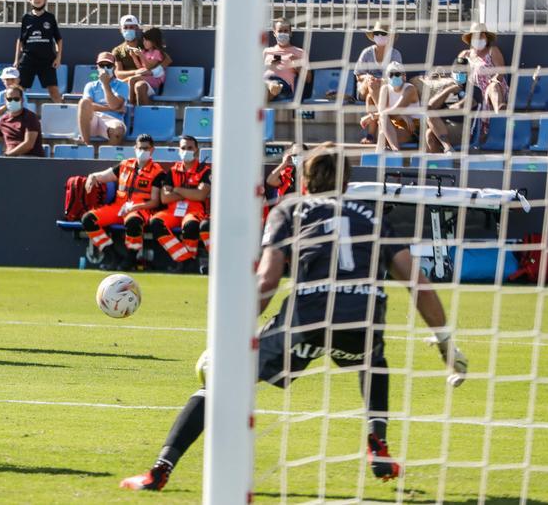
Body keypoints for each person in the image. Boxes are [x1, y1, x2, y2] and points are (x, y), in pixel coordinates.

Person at [120, 144, 468, 491]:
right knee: (372, 359)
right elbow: (416, 282)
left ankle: (159, 470)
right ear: (347, 182)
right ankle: (378, 444)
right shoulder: (374, 216)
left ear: (304, 180)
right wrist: (445, 341)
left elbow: (268, 280)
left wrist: (233, 339)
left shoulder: (290, 210)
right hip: (361, 318)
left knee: (220, 383)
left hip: (308, 319)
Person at [80, 133, 166, 270]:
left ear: (152, 150)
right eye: (140, 148)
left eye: (146, 148)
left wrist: (134, 207)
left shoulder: (158, 172)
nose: (143, 151)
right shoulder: (125, 165)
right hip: (118, 207)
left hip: (140, 209)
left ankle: (131, 259)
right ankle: (112, 256)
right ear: (135, 148)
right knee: (88, 219)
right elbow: (103, 176)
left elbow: (155, 202)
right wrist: (92, 177)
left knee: (133, 222)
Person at [148, 135, 210, 272]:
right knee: (155, 221)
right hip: (173, 211)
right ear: (179, 150)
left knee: (191, 224)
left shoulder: (205, 171)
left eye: (190, 148)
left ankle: (187, 262)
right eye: (183, 148)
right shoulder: (172, 171)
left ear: (196, 150)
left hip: (194, 211)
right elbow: (164, 198)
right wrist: (189, 192)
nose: (186, 150)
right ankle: (186, 260)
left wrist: (176, 190)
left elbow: (200, 195)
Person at [14, 0, 63, 103]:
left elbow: (58, 39)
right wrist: (17, 59)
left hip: (46, 60)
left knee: (54, 91)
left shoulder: (50, 18)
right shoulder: (25, 17)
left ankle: (62, 115)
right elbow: (20, 40)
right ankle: (14, 117)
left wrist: (58, 57)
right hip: (28, 59)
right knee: (18, 90)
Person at [363, 62, 420, 152]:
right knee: (382, 128)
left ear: (404, 76)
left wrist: (371, 117)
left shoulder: (409, 89)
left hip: (410, 127)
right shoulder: (385, 88)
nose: (394, 77)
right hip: (392, 125)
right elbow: (384, 114)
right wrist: (402, 115)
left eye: (397, 74)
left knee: (382, 133)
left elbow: (396, 110)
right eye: (391, 74)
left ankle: (390, 151)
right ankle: (395, 150)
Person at [78, 51, 129, 146]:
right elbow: (87, 106)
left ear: (114, 67)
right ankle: (86, 145)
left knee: (118, 131)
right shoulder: (90, 85)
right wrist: (111, 108)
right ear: (97, 67)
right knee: (83, 102)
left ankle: (107, 155)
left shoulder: (123, 85)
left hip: (112, 119)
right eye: (102, 65)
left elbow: (115, 104)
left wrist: (105, 84)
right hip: (93, 118)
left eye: (108, 65)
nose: (105, 68)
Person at [424, 55, 471, 154]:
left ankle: (448, 148)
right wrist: (449, 90)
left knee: (430, 127)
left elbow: (459, 107)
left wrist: (441, 114)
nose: (459, 73)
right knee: (429, 135)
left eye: (463, 71)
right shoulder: (447, 89)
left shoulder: (474, 89)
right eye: (457, 70)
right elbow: (429, 106)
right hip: (443, 127)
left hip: (462, 129)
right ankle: (438, 165)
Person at [459, 21, 509, 114]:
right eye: (475, 35)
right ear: (471, 38)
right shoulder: (465, 55)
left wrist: (494, 80)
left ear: (486, 37)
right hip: (474, 92)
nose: (478, 38)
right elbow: (458, 76)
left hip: (494, 86)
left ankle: (500, 117)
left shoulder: (492, 50)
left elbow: (501, 72)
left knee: (493, 87)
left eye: (481, 35)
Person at [354, 20, 403, 109]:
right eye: (377, 33)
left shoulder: (395, 54)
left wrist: (381, 81)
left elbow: (397, 77)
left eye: (383, 34)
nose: (379, 36)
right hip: (365, 89)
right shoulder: (366, 53)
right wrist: (368, 77)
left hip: (386, 88)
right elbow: (358, 75)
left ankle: (379, 112)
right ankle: (383, 113)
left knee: (377, 90)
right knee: (371, 84)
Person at [0, 85, 43, 157]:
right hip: (10, 160)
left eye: (16, 99)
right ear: (5, 101)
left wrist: (7, 155)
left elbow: (28, 145)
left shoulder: (30, 117)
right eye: (9, 99)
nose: (12, 101)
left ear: (22, 100)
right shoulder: (4, 119)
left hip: (30, 159)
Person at [111, 15, 153, 104]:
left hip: (145, 81)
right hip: (125, 82)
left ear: (137, 28)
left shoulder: (145, 45)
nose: (128, 30)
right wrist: (135, 73)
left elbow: (152, 67)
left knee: (139, 86)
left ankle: (143, 116)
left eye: (131, 27)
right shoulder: (117, 50)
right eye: (125, 27)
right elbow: (118, 73)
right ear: (120, 30)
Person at [263, 17, 306, 102]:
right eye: (280, 31)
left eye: (286, 31)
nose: (283, 33)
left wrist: (297, 65)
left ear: (290, 33)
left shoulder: (299, 52)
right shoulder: (266, 51)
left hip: (283, 86)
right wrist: (268, 66)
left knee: (275, 86)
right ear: (274, 33)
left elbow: (308, 78)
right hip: (264, 82)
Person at [137, 27, 171, 93]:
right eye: (143, 40)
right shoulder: (144, 52)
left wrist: (141, 55)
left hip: (154, 80)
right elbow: (141, 67)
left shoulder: (157, 52)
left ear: (154, 40)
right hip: (145, 77)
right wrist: (134, 56)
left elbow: (149, 67)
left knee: (133, 79)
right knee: (132, 79)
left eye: (147, 40)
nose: (144, 42)